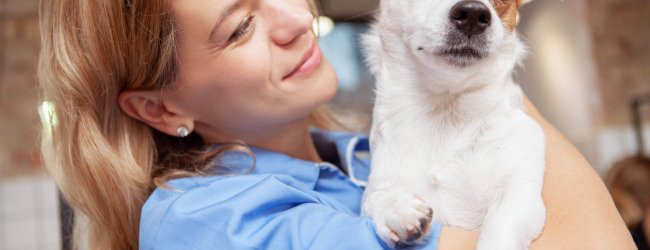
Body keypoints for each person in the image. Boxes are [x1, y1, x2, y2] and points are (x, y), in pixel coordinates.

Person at [37, 0, 635, 249]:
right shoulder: (209, 222)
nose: (298, 19)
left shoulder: (357, 158)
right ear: (161, 108)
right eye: (240, 27)